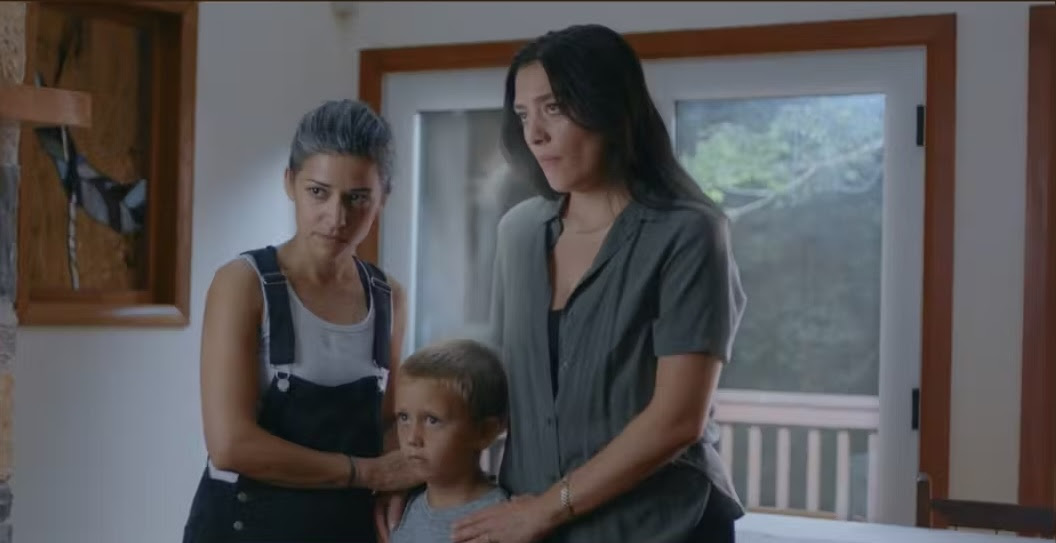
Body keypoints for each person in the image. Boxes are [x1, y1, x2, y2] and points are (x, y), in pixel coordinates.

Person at [451, 24, 748, 543]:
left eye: (553, 108)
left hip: (662, 528)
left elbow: (679, 418)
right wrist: (415, 471)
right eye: (523, 114)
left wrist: (545, 510)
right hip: (535, 526)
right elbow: (502, 388)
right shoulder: (517, 232)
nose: (534, 133)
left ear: (609, 108)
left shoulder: (689, 232)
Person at [182, 99, 421, 543]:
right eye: (318, 192)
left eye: (358, 198)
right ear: (290, 182)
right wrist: (365, 472)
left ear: (383, 198)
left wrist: (397, 485)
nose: (337, 218)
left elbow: (388, 423)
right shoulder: (243, 284)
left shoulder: (389, 297)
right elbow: (231, 445)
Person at [389, 339, 511, 543]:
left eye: (432, 420)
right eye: (404, 418)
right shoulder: (403, 509)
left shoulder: (499, 522)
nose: (412, 438)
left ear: (485, 432)